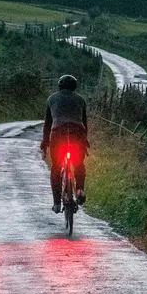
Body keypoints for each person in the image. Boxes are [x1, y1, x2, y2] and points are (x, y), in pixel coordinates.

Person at [41, 75, 89, 214]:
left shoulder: (51, 99)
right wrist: (84, 140)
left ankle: (56, 202)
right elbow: (84, 123)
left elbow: (47, 125)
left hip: (58, 134)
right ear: (75, 87)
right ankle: (79, 189)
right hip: (77, 133)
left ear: (59, 86)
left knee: (56, 167)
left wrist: (45, 142)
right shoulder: (81, 100)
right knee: (79, 164)